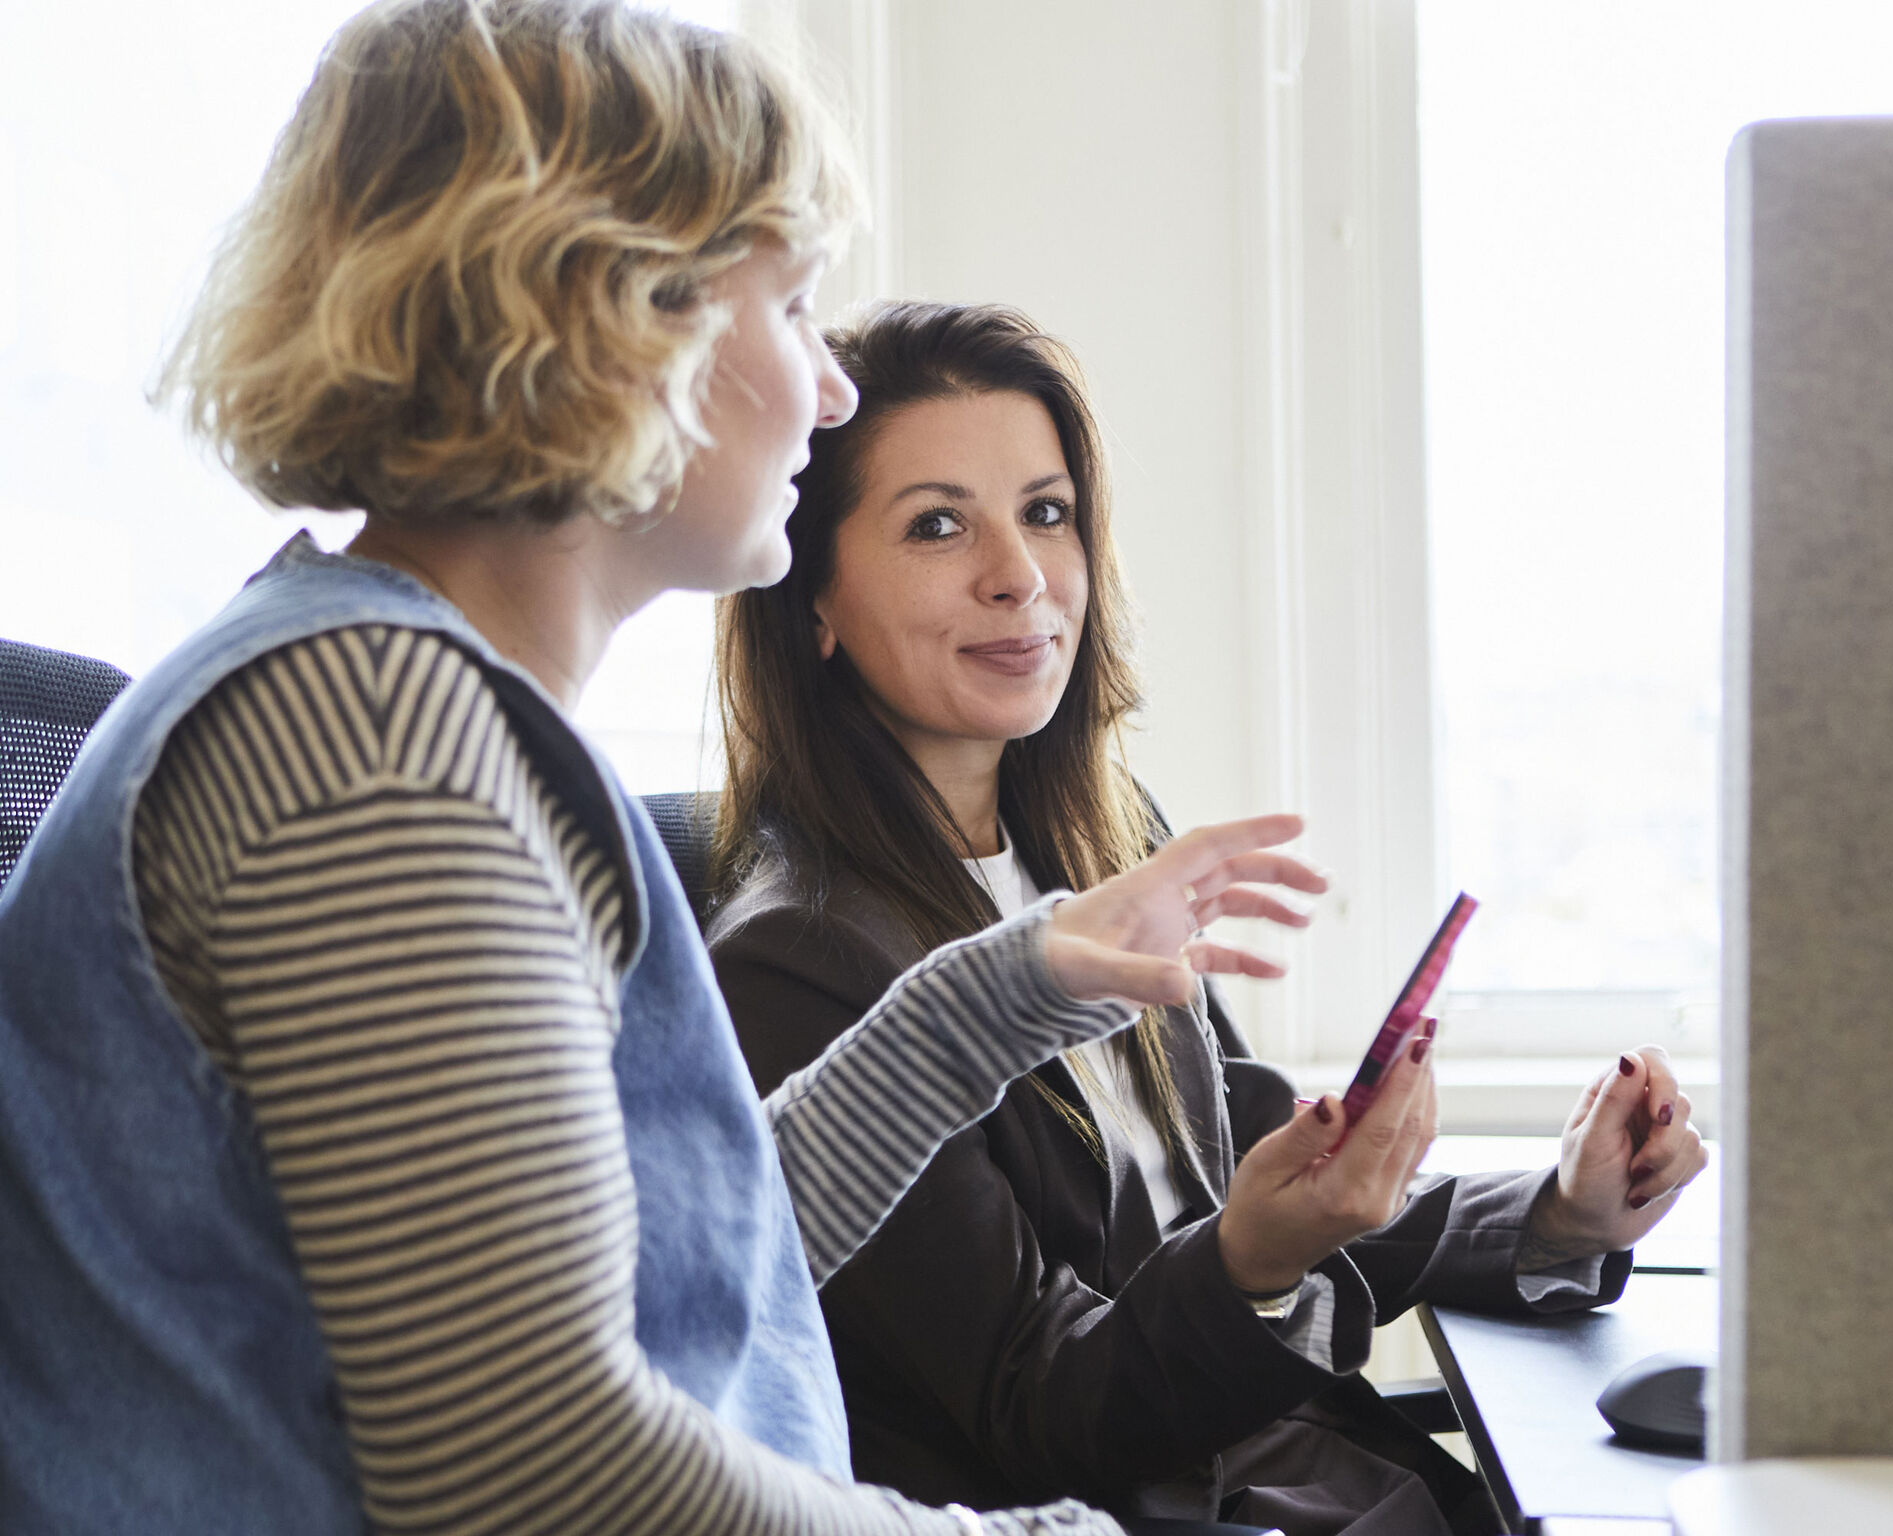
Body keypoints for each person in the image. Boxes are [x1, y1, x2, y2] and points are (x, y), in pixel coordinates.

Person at [0, 12, 1326, 1536]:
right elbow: (535, 1475)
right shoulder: (372, 750)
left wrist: (1008, 987)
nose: (831, 395)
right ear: (613, 316)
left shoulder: (414, 709)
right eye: (798, 306)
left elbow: (689, 1262)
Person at [705, 301, 1710, 1536]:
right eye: (936, 525)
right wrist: (1251, 1262)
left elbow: (1247, 1175)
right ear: (811, 601)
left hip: (1302, 1478)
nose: (1017, 574)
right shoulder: (799, 963)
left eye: (1045, 511)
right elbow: (1044, 1408)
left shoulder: (1104, 844)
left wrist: (1557, 1211)